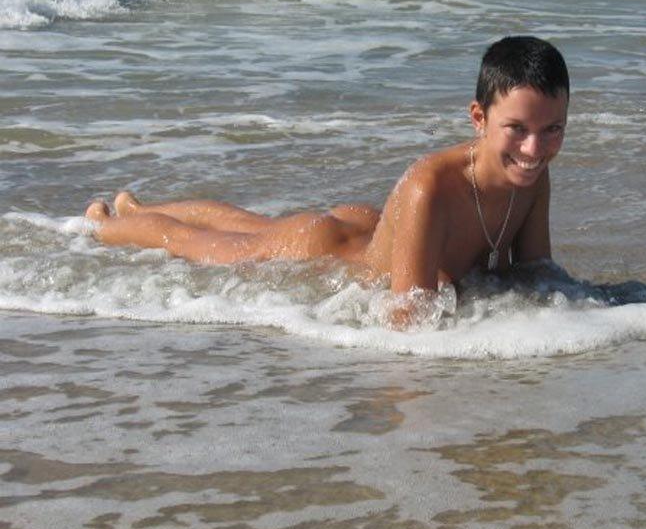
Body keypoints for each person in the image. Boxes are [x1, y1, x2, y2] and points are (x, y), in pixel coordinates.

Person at [85, 35, 570, 324]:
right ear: (479, 118)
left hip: (371, 230)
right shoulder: (432, 185)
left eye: (552, 130)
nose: (534, 149)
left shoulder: (531, 175)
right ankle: (109, 222)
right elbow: (406, 318)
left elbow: (536, 276)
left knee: (247, 224)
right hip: (327, 248)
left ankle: (138, 207)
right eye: (517, 129)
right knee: (203, 244)